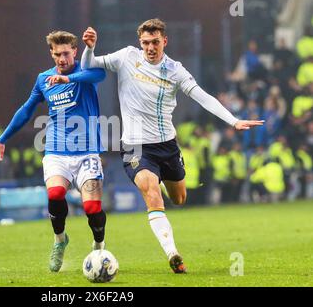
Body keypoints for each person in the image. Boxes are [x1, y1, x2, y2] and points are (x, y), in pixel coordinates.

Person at [81, 18, 264, 273]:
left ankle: (163, 183)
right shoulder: (126, 57)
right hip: (135, 146)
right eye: (145, 42)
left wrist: (233, 121)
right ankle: (173, 254)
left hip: (167, 146)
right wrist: (89, 48)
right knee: (152, 194)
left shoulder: (175, 70)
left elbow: (203, 97)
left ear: (164, 41)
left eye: (155, 42)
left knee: (179, 198)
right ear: (140, 43)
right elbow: (89, 64)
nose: (150, 47)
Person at [0, 31, 106, 273]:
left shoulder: (85, 72)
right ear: (51, 53)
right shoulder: (43, 79)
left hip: (87, 152)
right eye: (57, 54)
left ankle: (99, 246)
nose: (62, 59)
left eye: (66, 53)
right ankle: (59, 240)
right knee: (55, 194)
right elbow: (26, 110)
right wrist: (3, 138)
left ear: (75, 51)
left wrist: (69, 80)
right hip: (56, 150)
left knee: (92, 209)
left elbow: (100, 73)